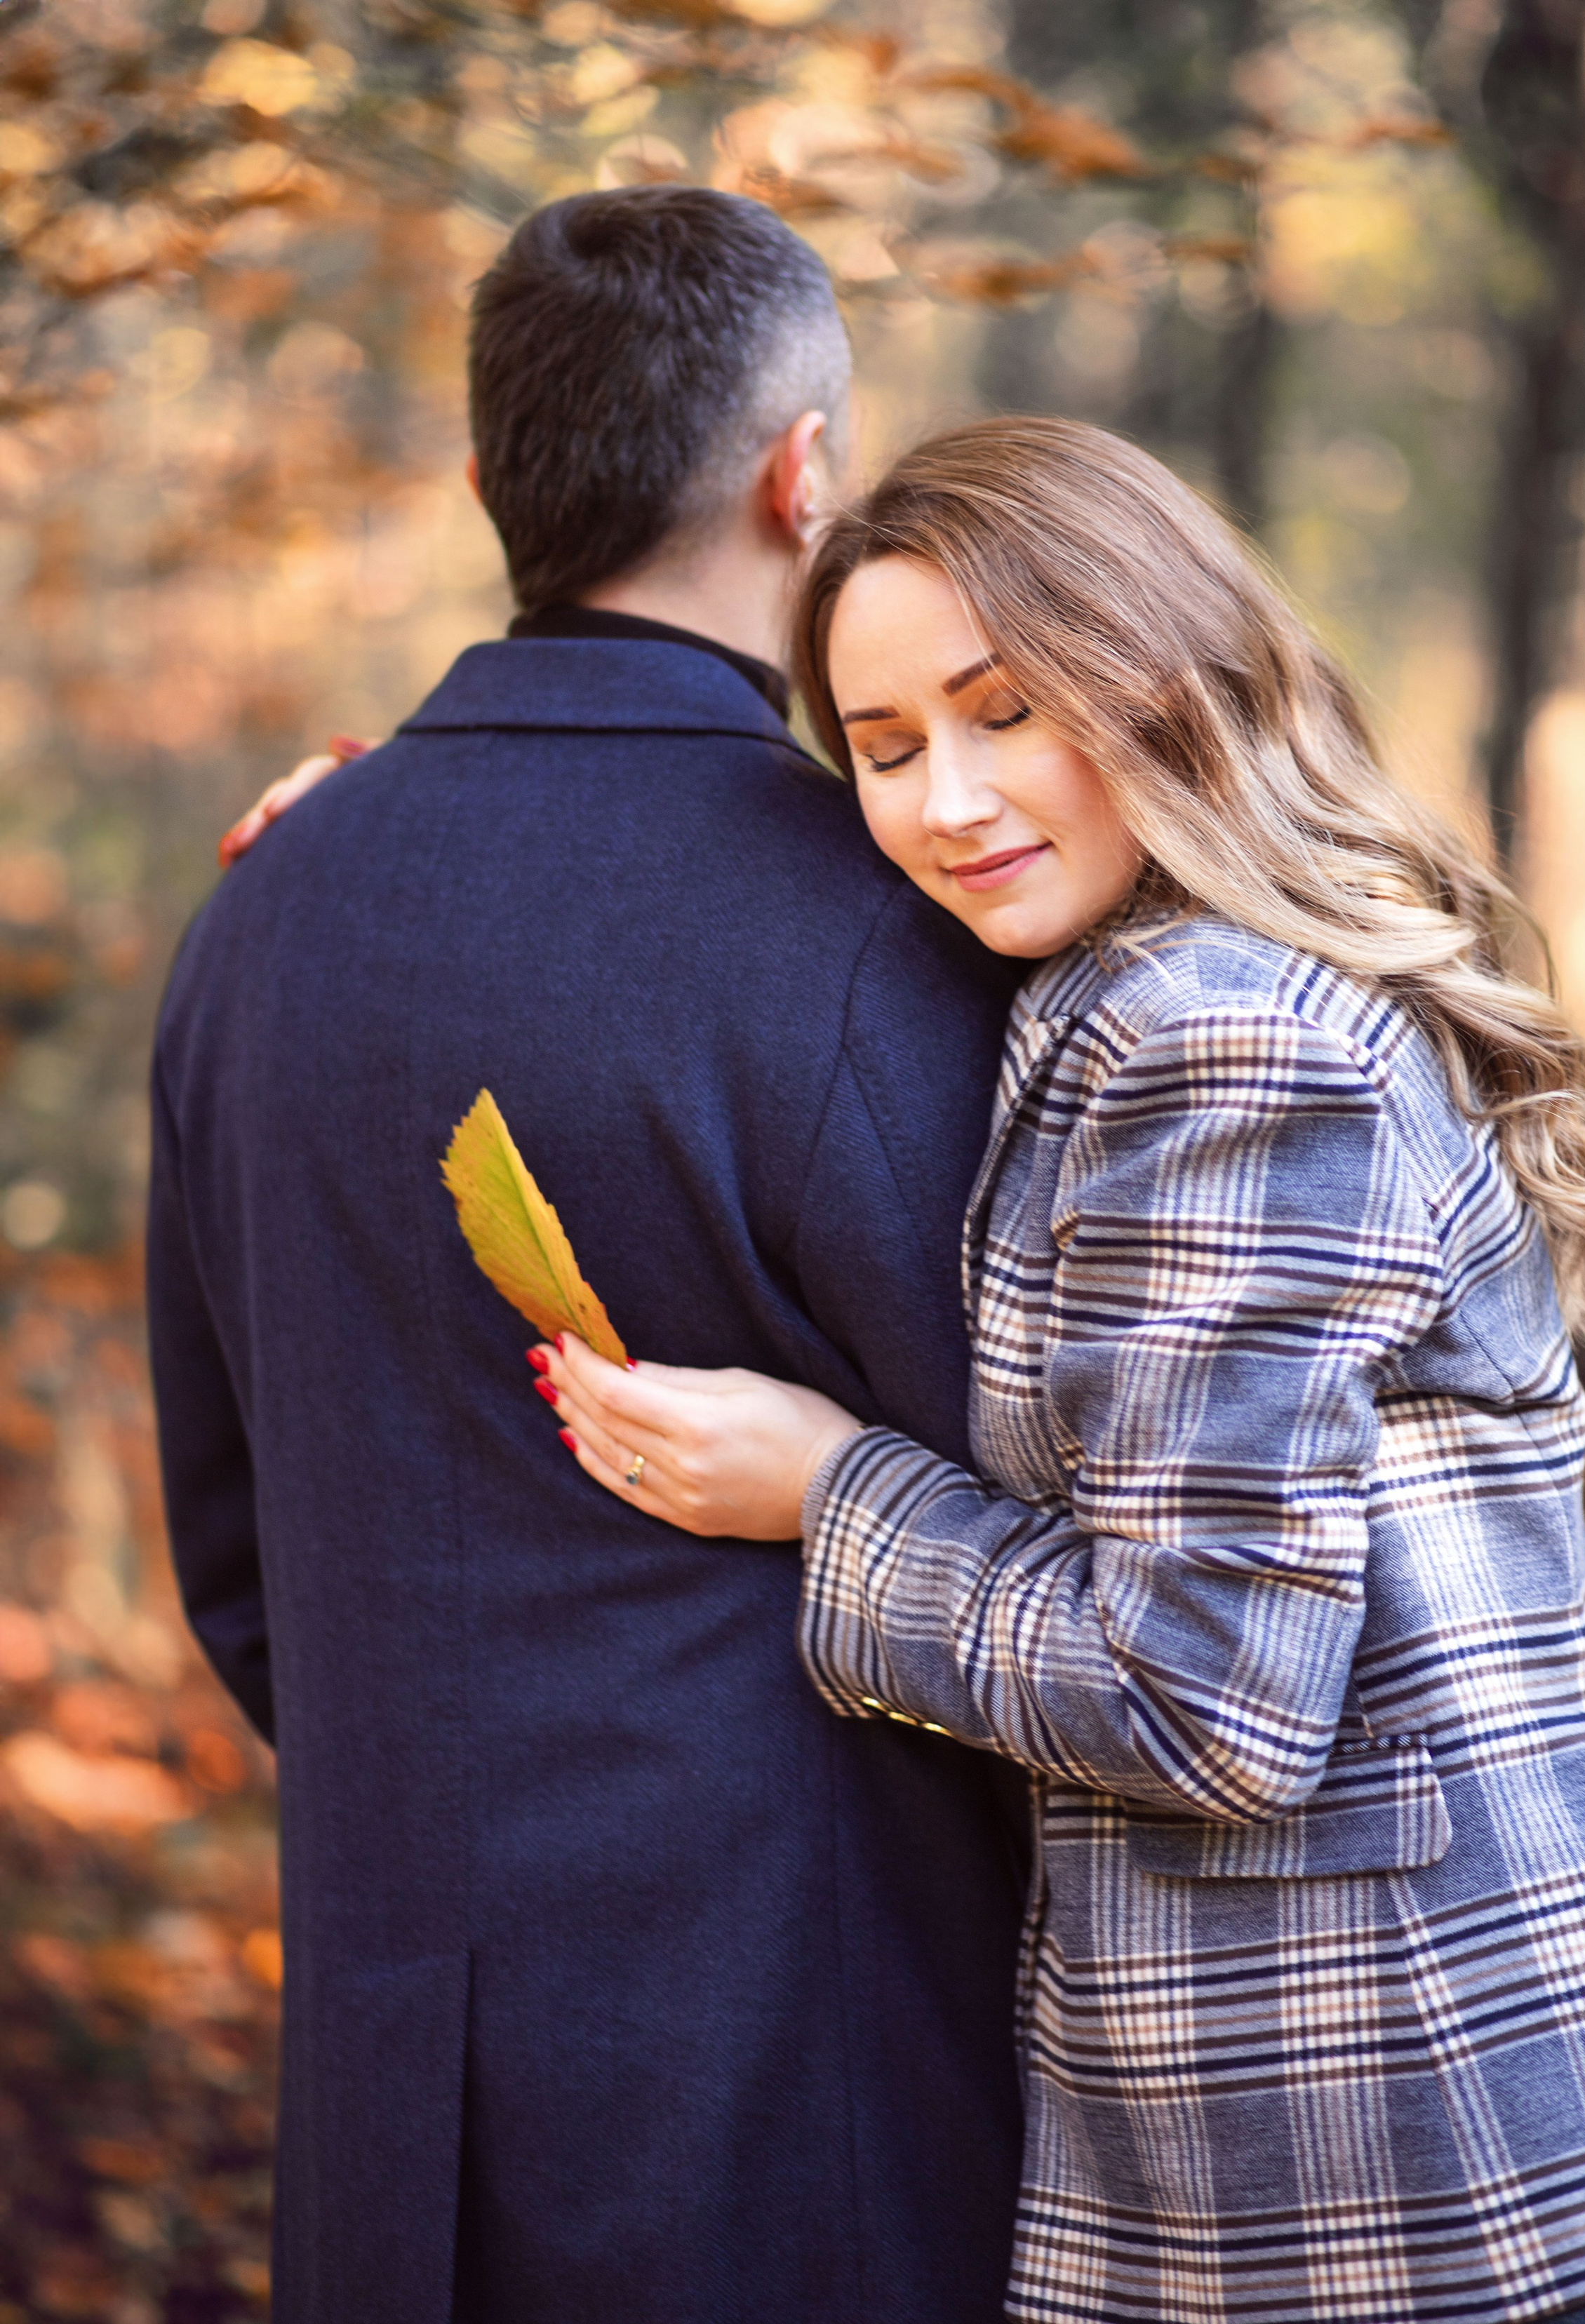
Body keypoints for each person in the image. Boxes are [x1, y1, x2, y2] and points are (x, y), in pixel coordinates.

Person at [537, 416, 1585, 2324]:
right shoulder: (1134, 987)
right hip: (1395, 2137)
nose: (947, 797)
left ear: (1162, 681)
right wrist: (402, 823)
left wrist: (828, 1494)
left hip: (1425, 2146)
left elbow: (1206, 1698)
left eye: (1005, 709)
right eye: (883, 748)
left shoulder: (1223, 1038)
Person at [149, 189, 1033, 2323]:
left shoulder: (257, 912)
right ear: (800, 473)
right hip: (817, 2102)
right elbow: (1058, 1534)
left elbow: (242, 1559)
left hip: (390, 2109)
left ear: (486, 486)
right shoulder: (887, 927)